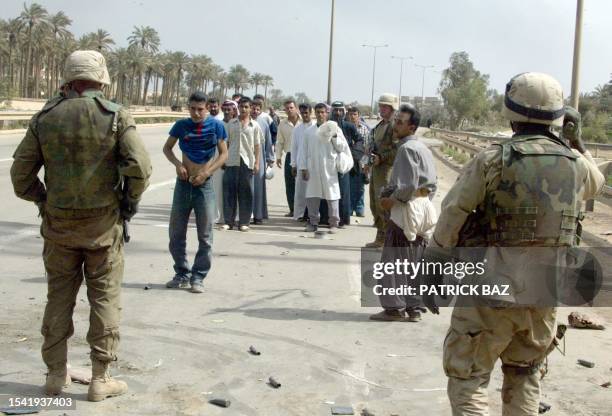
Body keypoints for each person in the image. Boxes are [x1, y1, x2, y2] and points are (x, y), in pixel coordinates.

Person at [427, 73, 604, 415]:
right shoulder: (576, 164)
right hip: (544, 292)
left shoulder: (493, 159)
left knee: (469, 376)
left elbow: (453, 214)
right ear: (558, 117)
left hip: (490, 288)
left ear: (512, 114)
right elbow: (596, 184)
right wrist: (576, 142)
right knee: (525, 375)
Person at [10, 50, 152, 401]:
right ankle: (100, 379)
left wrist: (45, 200)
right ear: (102, 79)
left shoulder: (46, 117)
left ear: (68, 80)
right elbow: (141, 168)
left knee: (59, 297)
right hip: (103, 226)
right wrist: (127, 201)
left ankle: (56, 375)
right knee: (104, 298)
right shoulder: (116, 116)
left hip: (59, 226)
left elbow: (20, 177)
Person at [369, 104, 437, 322]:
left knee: (394, 259)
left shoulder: (406, 149)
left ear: (412, 127)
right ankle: (414, 307)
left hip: (407, 207)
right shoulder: (422, 148)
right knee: (415, 258)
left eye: (400, 122)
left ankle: (393, 308)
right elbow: (431, 185)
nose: (395, 125)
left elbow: (406, 186)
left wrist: (392, 200)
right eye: (396, 120)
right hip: (423, 206)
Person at [163, 92, 228, 293]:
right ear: (188, 107)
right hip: (184, 185)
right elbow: (167, 149)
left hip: (204, 186)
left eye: (200, 109)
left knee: (205, 235)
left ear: (207, 108)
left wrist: (207, 172)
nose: (196, 113)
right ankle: (182, 273)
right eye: (192, 109)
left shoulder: (217, 126)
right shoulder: (181, 126)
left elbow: (224, 154)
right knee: (176, 233)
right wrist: (177, 165)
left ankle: (198, 277)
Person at [298, 103, 351, 234]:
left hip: (329, 168)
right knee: (312, 195)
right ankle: (313, 222)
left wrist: (334, 136)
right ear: (314, 113)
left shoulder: (335, 129)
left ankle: (334, 223)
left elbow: (342, 147)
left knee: (332, 195)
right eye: (318, 112)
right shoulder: (308, 132)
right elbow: (303, 151)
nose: (320, 114)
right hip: (313, 168)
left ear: (327, 113)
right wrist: (304, 168)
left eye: (323, 112)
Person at [223, 96, 263, 231]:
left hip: (247, 162)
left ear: (251, 108)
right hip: (232, 160)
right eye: (241, 107)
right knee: (229, 191)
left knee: (246, 192)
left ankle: (244, 222)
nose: (244, 109)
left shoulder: (255, 125)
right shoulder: (231, 124)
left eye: (246, 107)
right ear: (237, 108)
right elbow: (226, 143)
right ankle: (229, 221)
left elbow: (257, 146)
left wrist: (257, 163)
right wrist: (224, 159)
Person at [366, 93, 399, 248]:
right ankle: (381, 236)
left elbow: (397, 150)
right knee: (375, 203)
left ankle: (389, 239)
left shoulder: (394, 126)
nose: (381, 109)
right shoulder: (380, 126)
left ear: (392, 108)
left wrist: (382, 158)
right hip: (376, 170)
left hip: (387, 171)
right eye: (380, 106)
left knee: (385, 204)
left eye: (385, 106)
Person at [330, 101, 365, 226]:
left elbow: (360, 140)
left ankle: (344, 219)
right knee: (330, 192)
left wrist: (353, 155)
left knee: (345, 192)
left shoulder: (349, 126)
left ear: (343, 112)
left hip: (345, 164)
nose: (338, 113)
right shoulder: (327, 126)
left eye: (340, 110)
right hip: (329, 164)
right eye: (335, 110)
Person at [276, 99, 301, 217]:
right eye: (287, 108)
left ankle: (303, 210)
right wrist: (278, 156)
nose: (289, 110)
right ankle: (292, 209)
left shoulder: (304, 122)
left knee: (303, 184)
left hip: (304, 156)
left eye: (291, 107)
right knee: (290, 184)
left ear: (296, 108)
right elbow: (279, 141)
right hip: (290, 156)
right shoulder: (282, 124)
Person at [251, 98, 275, 224]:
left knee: (258, 187)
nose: (254, 111)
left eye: (257, 109)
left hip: (259, 159)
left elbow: (268, 142)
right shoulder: (243, 121)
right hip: (246, 158)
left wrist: (270, 160)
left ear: (260, 110)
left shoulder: (264, 123)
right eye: (253, 108)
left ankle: (258, 215)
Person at [291, 103, 315, 221]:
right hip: (301, 164)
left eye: (306, 112)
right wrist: (293, 164)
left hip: (314, 165)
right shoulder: (297, 129)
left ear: (311, 112)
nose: (304, 115)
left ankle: (312, 215)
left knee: (313, 192)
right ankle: (300, 215)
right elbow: (294, 148)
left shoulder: (317, 127)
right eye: (302, 113)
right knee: (300, 192)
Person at [346, 106, 371, 217]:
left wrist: (365, 164)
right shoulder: (344, 127)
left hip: (360, 161)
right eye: (350, 114)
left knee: (360, 187)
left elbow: (367, 148)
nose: (352, 117)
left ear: (358, 116)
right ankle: (349, 208)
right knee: (349, 186)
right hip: (347, 161)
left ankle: (359, 209)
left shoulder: (364, 129)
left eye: (354, 114)